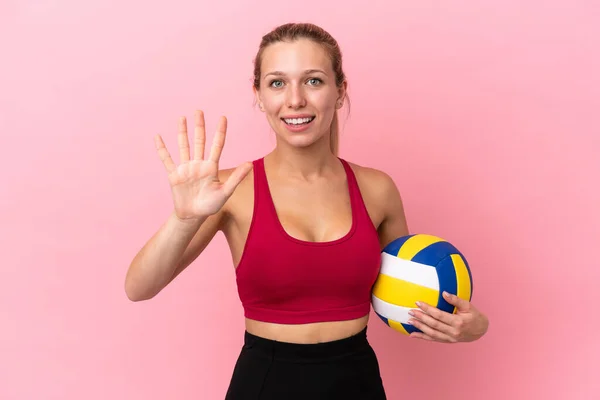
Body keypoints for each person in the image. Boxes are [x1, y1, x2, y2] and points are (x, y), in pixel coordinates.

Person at [125, 22, 489, 399]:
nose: (295, 100)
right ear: (259, 95)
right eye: (277, 83)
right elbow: (138, 288)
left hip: (357, 383)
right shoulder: (229, 190)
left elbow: (408, 292)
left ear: (340, 91)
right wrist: (183, 219)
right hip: (264, 384)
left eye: (313, 81)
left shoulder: (377, 189)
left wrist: (467, 325)